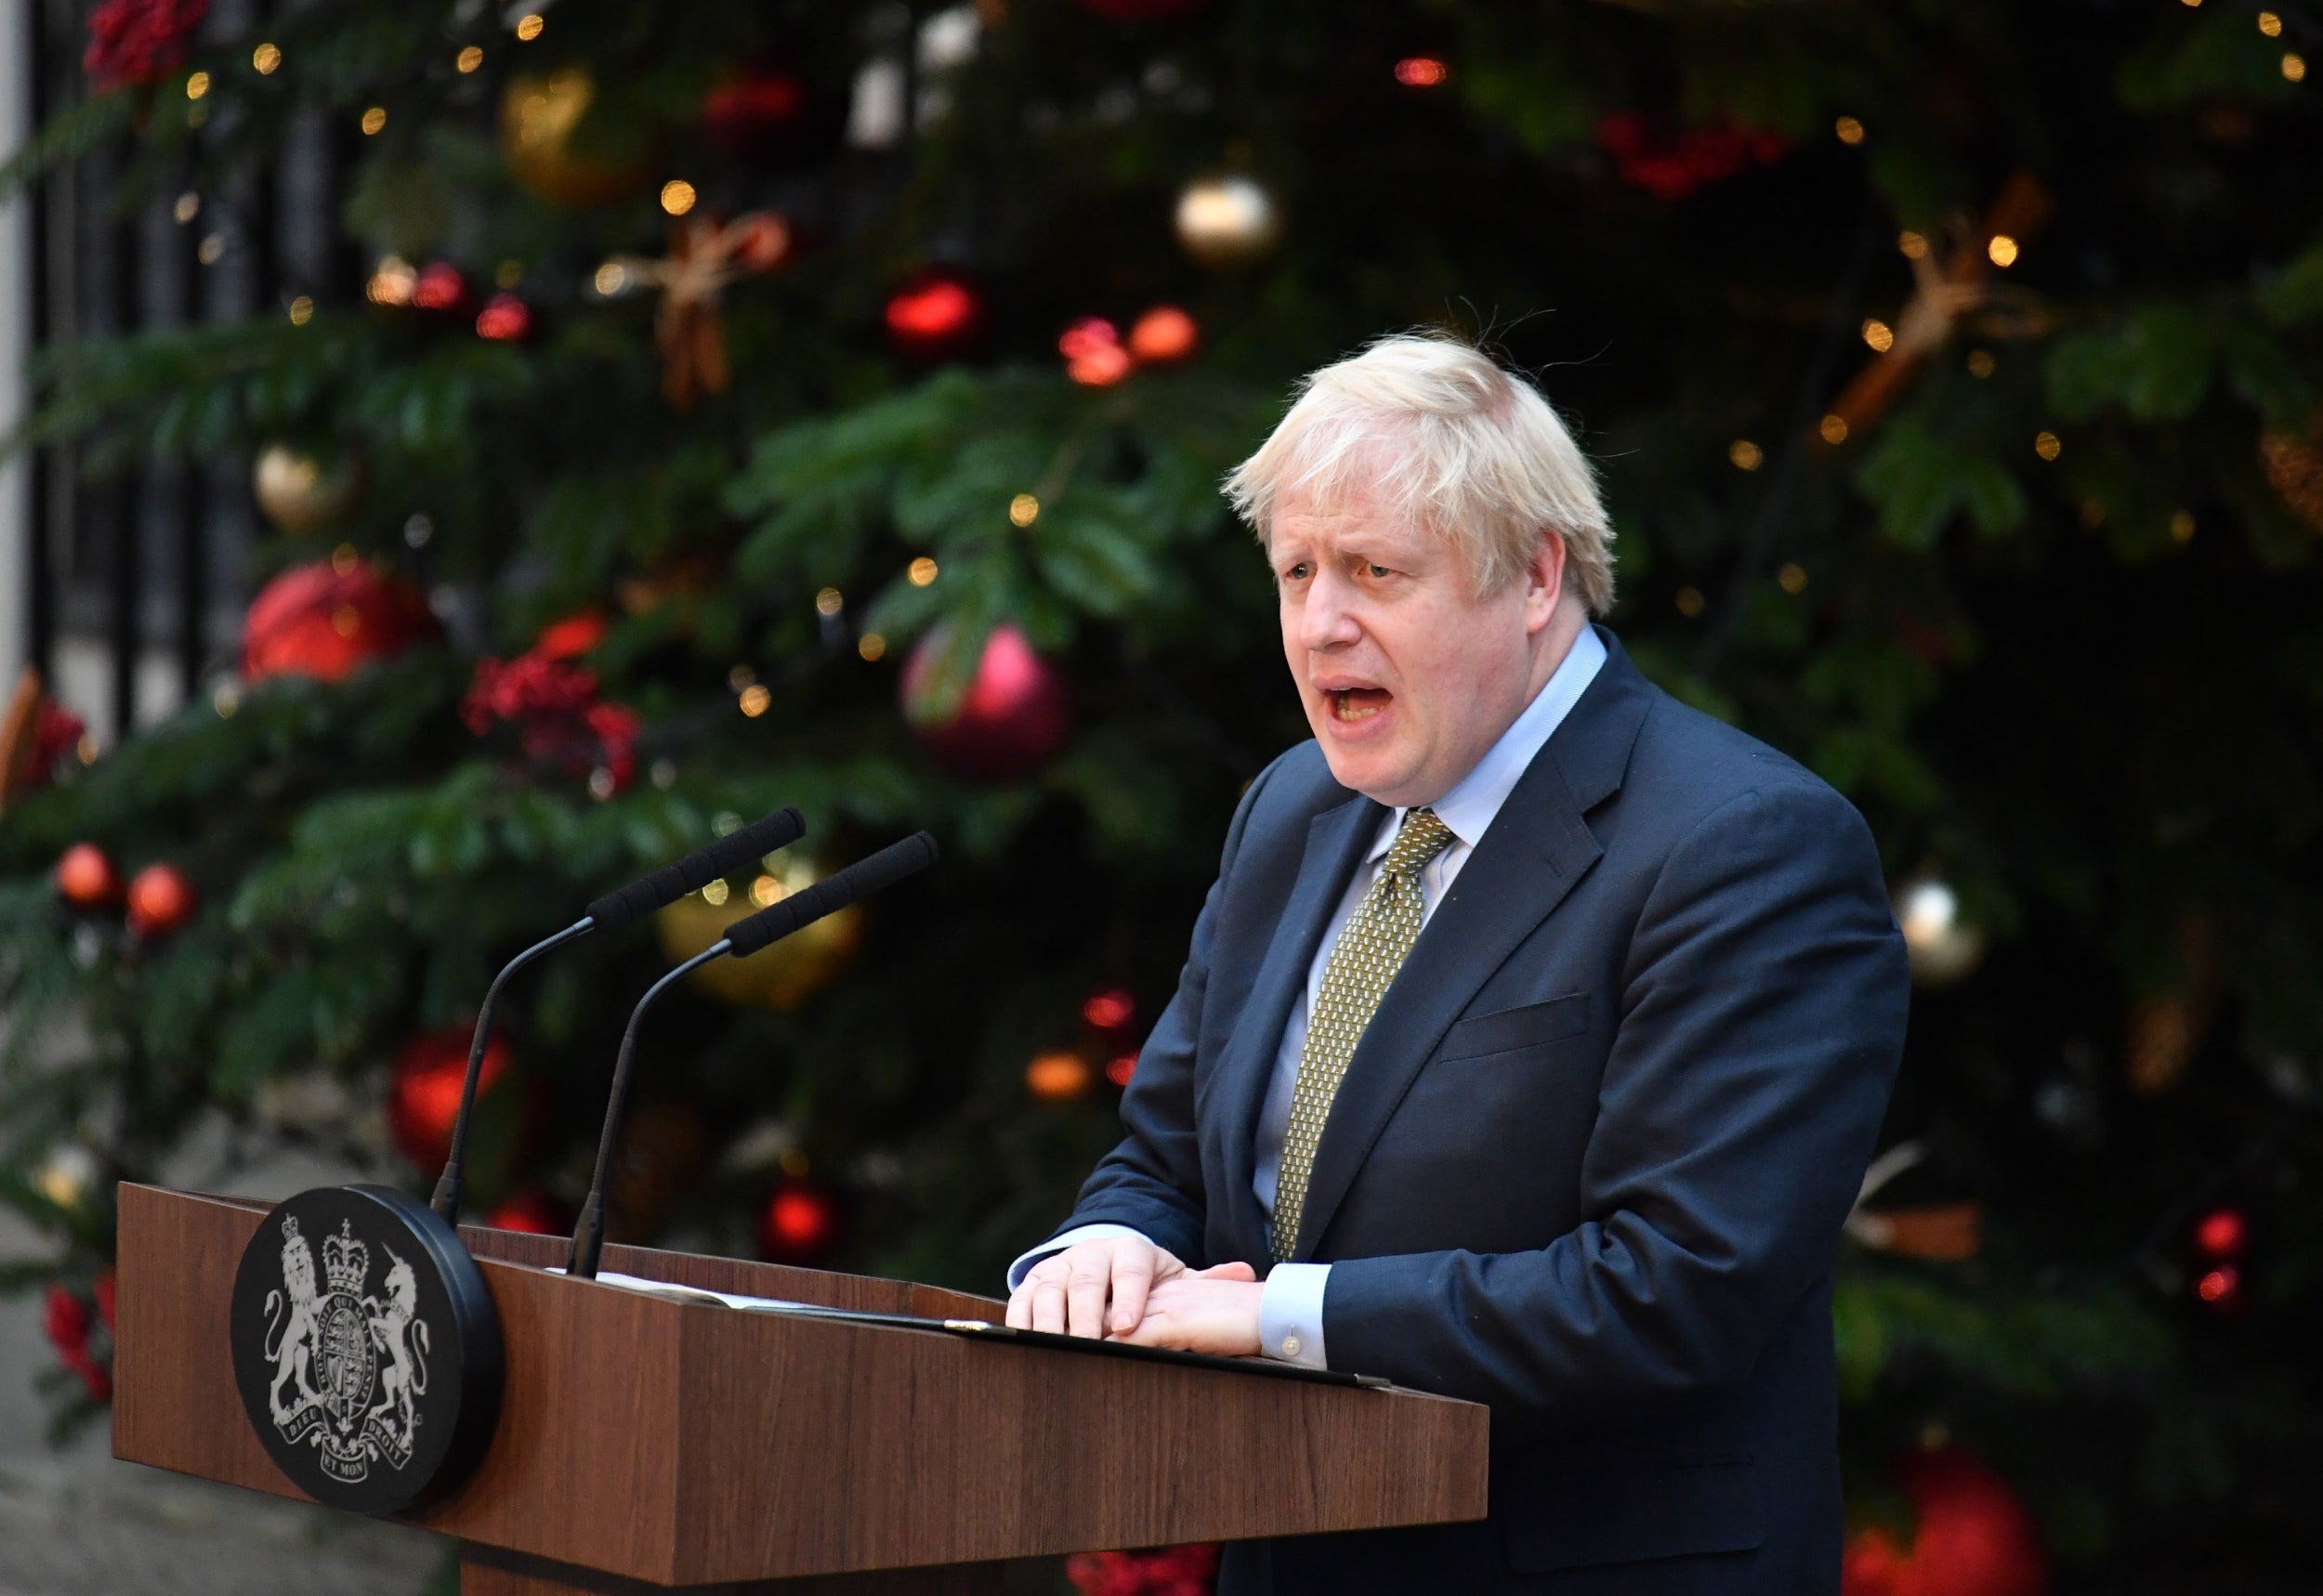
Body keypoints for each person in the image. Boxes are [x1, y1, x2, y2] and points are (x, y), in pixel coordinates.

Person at [1005, 333, 1909, 1596]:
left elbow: (1675, 1291)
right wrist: (1104, 1241)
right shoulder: (1291, 806)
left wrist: (1277, 1317)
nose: (1323, 624)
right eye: (1298, 570)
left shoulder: (1745, 845)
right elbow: (1163, 1158)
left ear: (1536, 576)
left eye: (1377, 569)